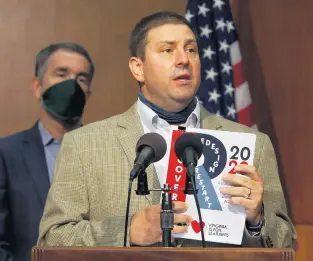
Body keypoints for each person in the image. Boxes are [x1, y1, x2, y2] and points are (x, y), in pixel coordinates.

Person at [37, 12, 296, 248]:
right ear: (138, 68)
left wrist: (256, 219)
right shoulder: (84, 145)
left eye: (191, 50)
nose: (183, 59)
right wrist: (127, 232)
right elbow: (52, 239)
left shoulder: (252, 142)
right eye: (167, 50)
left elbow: (285, 244)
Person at [0, 42, 95, 261]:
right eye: (61, 74)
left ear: (88, 93)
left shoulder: (105, 153)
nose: (71, 85)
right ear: (38, 86)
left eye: (81, 79)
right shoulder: (6, 154)